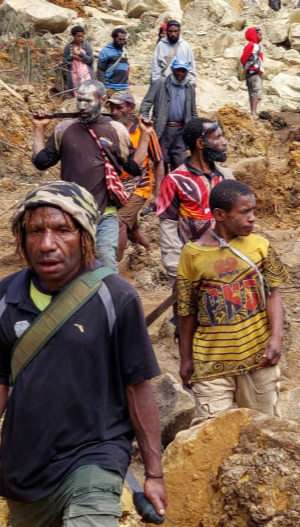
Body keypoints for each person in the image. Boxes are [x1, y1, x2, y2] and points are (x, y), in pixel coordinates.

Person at [0, 181, 166, 526]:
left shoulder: (116, 297)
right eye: (35, 231)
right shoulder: (5, 296)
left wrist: (154, 472)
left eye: (62, 230)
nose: (47, 244)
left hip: (96, 457)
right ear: (22, 237)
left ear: (85, 237)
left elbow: (138, 388)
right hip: (26, 469)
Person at [176, 179, 289, 422]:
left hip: (258, 359)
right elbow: (186, 310)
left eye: (253, 211)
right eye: (245, 211)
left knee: (264, 430)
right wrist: (186, 358)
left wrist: (276, 336)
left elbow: (273, 294)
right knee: (208, 434)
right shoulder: (192, 254)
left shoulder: (261, 246)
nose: (253, 218)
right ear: (220, 214)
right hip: (211, 364)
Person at [32, 81, 141, 273]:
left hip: (104, 213)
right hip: (70, 214)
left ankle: (107, 301)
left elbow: (133, 167)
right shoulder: (64, 129)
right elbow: (41, 162)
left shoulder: (117, 130)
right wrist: (39, 128)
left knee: (106, 264)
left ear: (103, 101)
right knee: (71, 266)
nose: (82, 106)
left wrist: (147, 135)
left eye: (88, 101)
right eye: (79, 101)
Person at [156, 117, 233, 312]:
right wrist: (177, 275)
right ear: (200, 144)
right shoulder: (174, 181)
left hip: (227, 268)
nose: (224, 142)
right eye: (218, 137)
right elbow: (168, 230)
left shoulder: (226, 177)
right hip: (193, 270)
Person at [107, 91, 161, 261]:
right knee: (131, 229)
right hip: (116, 185)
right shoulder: (109, 129)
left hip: (140, 185)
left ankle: (112, 270)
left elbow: (158, 161)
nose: (115, 112)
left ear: (131, 108)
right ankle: (149, 252)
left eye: (119, 108)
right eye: (112, 108)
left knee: (120, 223)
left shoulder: (144, 130)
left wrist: (158, 194)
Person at [141, 57, 197, 194]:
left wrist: (193, 132)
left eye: (183, 71)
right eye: (178, 70)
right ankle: (161, 194)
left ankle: (177, 194)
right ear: (172, 69)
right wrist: (145, 121)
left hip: (181, 131)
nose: (180, 74)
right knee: (160, 161)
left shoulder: (189, 88)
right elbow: (146, 104)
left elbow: (194, 113)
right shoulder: (160, 83)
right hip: (162, 129)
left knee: (179, 163)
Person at [151, 21, 196, 86]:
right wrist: (156, 83)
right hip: (164, 84)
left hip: (182, 85)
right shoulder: (160, 45)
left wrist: (192, 81)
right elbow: (156, 66)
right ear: (167, 31)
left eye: (175, 31)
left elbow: (191, 65)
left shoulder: (185, 46)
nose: (173, 34)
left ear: (179, 31)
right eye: (170, 31)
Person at [240, 27, 265, 117]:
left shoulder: (254, 46)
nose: (262, 36)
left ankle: (252, 112)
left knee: (252, 93)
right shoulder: (252, 45)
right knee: (256, 92)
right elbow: (243, 58)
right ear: (255, 35)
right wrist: (250, 67)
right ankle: (253, 113)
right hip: (254, 73)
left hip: (252, 73)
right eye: (260, 34)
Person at [97, 28, 130, 93]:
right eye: (120, 39)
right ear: (114, 38)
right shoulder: (105, 51)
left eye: (124, 40)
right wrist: (104, 88)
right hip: (111, 88)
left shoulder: (124, 51)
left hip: (125, 87)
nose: (122, 42)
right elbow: (100, 71)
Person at [63, 26, 93, 94]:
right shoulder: (69, 47)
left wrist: (81, 55)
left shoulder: (86, 46)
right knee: (77, 94)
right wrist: (72, 57)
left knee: (88, 93)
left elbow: (91, 60)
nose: (80, 38)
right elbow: (64, 62)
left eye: (82, 36)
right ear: (73, 35)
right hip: (74, 74)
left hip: (86, 74)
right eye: (78, 36)